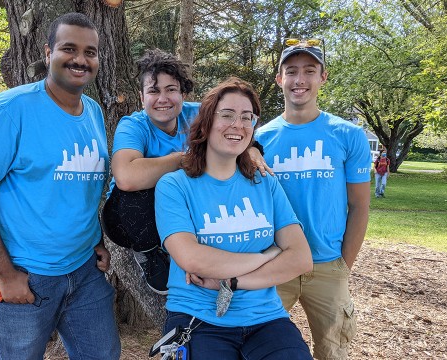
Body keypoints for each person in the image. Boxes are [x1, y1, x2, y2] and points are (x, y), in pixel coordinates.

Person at [0, 13, 120, 359]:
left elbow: (87, 186)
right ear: (48, 53)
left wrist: (99, 240)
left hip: (84, 272)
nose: (80, 59)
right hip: (26, 276)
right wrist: (5, 274)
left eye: (90, 52)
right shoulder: (12, 108)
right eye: (69, 48)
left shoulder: (92, 111)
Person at [154, 77, 313, 359]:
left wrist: (232, 281)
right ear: (206, 122)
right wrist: (268, 255)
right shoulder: (174, 186)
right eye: (227, 115)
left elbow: (300, 258)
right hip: (198, 317)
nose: (237, 125)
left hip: (265, 319)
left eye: (246, 117)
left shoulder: (265, 183)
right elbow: (192, 259)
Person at [101, 49, 269, 295]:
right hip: (132, 216)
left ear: (183, 93)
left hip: (189, 205)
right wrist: (182, 159)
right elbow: (126, 177)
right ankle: (148, 251)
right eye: (154, 91)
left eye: (171, 89)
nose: (163, 98)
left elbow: (235, 127)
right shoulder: (134, 125)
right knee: (140, 190)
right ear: (141, 96)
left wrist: (253, 149)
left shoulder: (197, 114)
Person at [254, 39, 372, 359]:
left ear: (323, 77)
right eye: (291, 71)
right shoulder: (260, 140)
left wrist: (343, 265)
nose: (300, 80)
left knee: (333, 352)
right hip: (276, 265)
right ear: (279, 79)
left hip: (328, 267)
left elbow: (360, 205)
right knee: (260, 347)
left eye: (309, 70)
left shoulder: (348, 135)